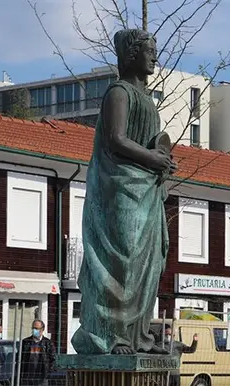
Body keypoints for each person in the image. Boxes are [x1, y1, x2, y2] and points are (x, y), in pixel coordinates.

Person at [70, 28, 177, 355]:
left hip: (147, 188)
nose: (154, 57)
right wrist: (153, 158)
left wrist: (161, 163)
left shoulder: (147, 98)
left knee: (151, 264)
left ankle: (138, 336)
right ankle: (111, 336)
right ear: (132, 55)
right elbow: (115, 139)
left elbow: (148, 142)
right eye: (149, 51)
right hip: (121, 187)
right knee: (124, 262)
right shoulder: (119, 93)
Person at [20, 320, 56, 386]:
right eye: (33, 328)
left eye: (36, 328)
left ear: (42, 330)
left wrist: (48, 371)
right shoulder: (26, 342)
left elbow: (53, 359)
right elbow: (20, 358)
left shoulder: (47, 343)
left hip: (42, 376)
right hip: (28, 375)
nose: (34, 330)